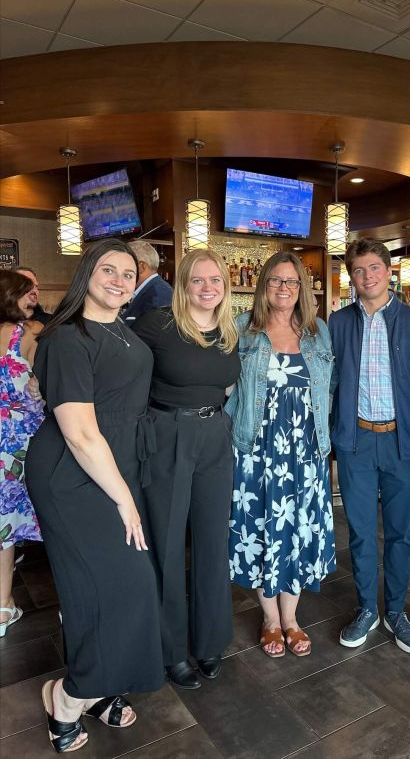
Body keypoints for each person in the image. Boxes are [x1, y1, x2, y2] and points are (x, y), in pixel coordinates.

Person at [25, 238, 165, 754]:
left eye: (128, 274)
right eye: (108, 270)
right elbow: (81, 434)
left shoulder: (125, 332)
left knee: (114, 588)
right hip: (73, 475)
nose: (119, 280)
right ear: (87, 273)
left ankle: (101, 682)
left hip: (116, 468)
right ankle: (67, 697)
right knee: (113, 585)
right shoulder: (67, 338)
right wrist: (124, 499)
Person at [133, 249, 240, 689]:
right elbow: (124, 370)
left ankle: (209, 641)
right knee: (167, 543)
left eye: (215, 279)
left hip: (215, 434)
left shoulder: (229, 330)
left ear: (225, 285)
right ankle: (171, 649)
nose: (207, 287)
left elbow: (227, 384)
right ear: (183, 284)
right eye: (198, 279)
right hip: (168, 435)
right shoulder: (157, 324)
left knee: (214, 540)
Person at [329, 238, 410, 653]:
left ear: (388, 272)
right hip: (355, 441)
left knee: (400, 534)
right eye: (359, 270)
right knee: (359, 533)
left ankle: (396, 611)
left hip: (401, 442)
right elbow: (328, 383)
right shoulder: (337, 324)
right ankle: (366, 610)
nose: (367, 276)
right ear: (350, 277)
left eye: (374, 267)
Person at [226, 251, 335, 658]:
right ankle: (270, 619)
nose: (284, 288)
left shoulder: (318, 331)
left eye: (291, 281)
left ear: (301, 288)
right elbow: (225, 387)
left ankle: (291, 618)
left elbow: (329, 386)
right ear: (263, 286)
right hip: (256, 448)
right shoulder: (242, 329)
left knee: (297, 529)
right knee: (260, 528)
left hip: (305, 450)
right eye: (275, 280)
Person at [0, 271, 45, 637]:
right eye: (25, 292)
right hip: (19, 443)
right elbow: (42, 386)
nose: (32, 297)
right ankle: (2, 604)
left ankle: (3, 605)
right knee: (11, 521)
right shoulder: (27, 335)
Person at [122, 240, 173, 324]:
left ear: (141, 267)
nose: (120, 270)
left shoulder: (158, 296)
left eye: (124, 264)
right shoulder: (153, 291)